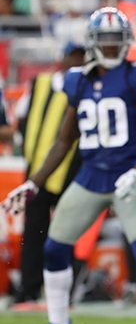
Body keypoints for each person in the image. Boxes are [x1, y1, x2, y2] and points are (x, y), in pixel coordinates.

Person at [2, 7, 136, 324]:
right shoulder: (79, 81)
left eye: (117, 41)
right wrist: (34, 182)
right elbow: (63, 140)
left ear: (127, 42)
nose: (112, 47)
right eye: (106, 41)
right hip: (89, 178)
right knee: (54, 249)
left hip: (127, 178)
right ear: (93, 42)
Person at [12, 42, 85, 307]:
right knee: (34, 233)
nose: (76, 62)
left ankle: (65, 295)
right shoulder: (39, 85)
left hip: (71, 171)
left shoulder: (85, 86)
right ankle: (28, 292)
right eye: (72, 57)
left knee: (68, 234)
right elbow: (21, 119)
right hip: (37, 172)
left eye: (81, 57)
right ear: (62, 59)